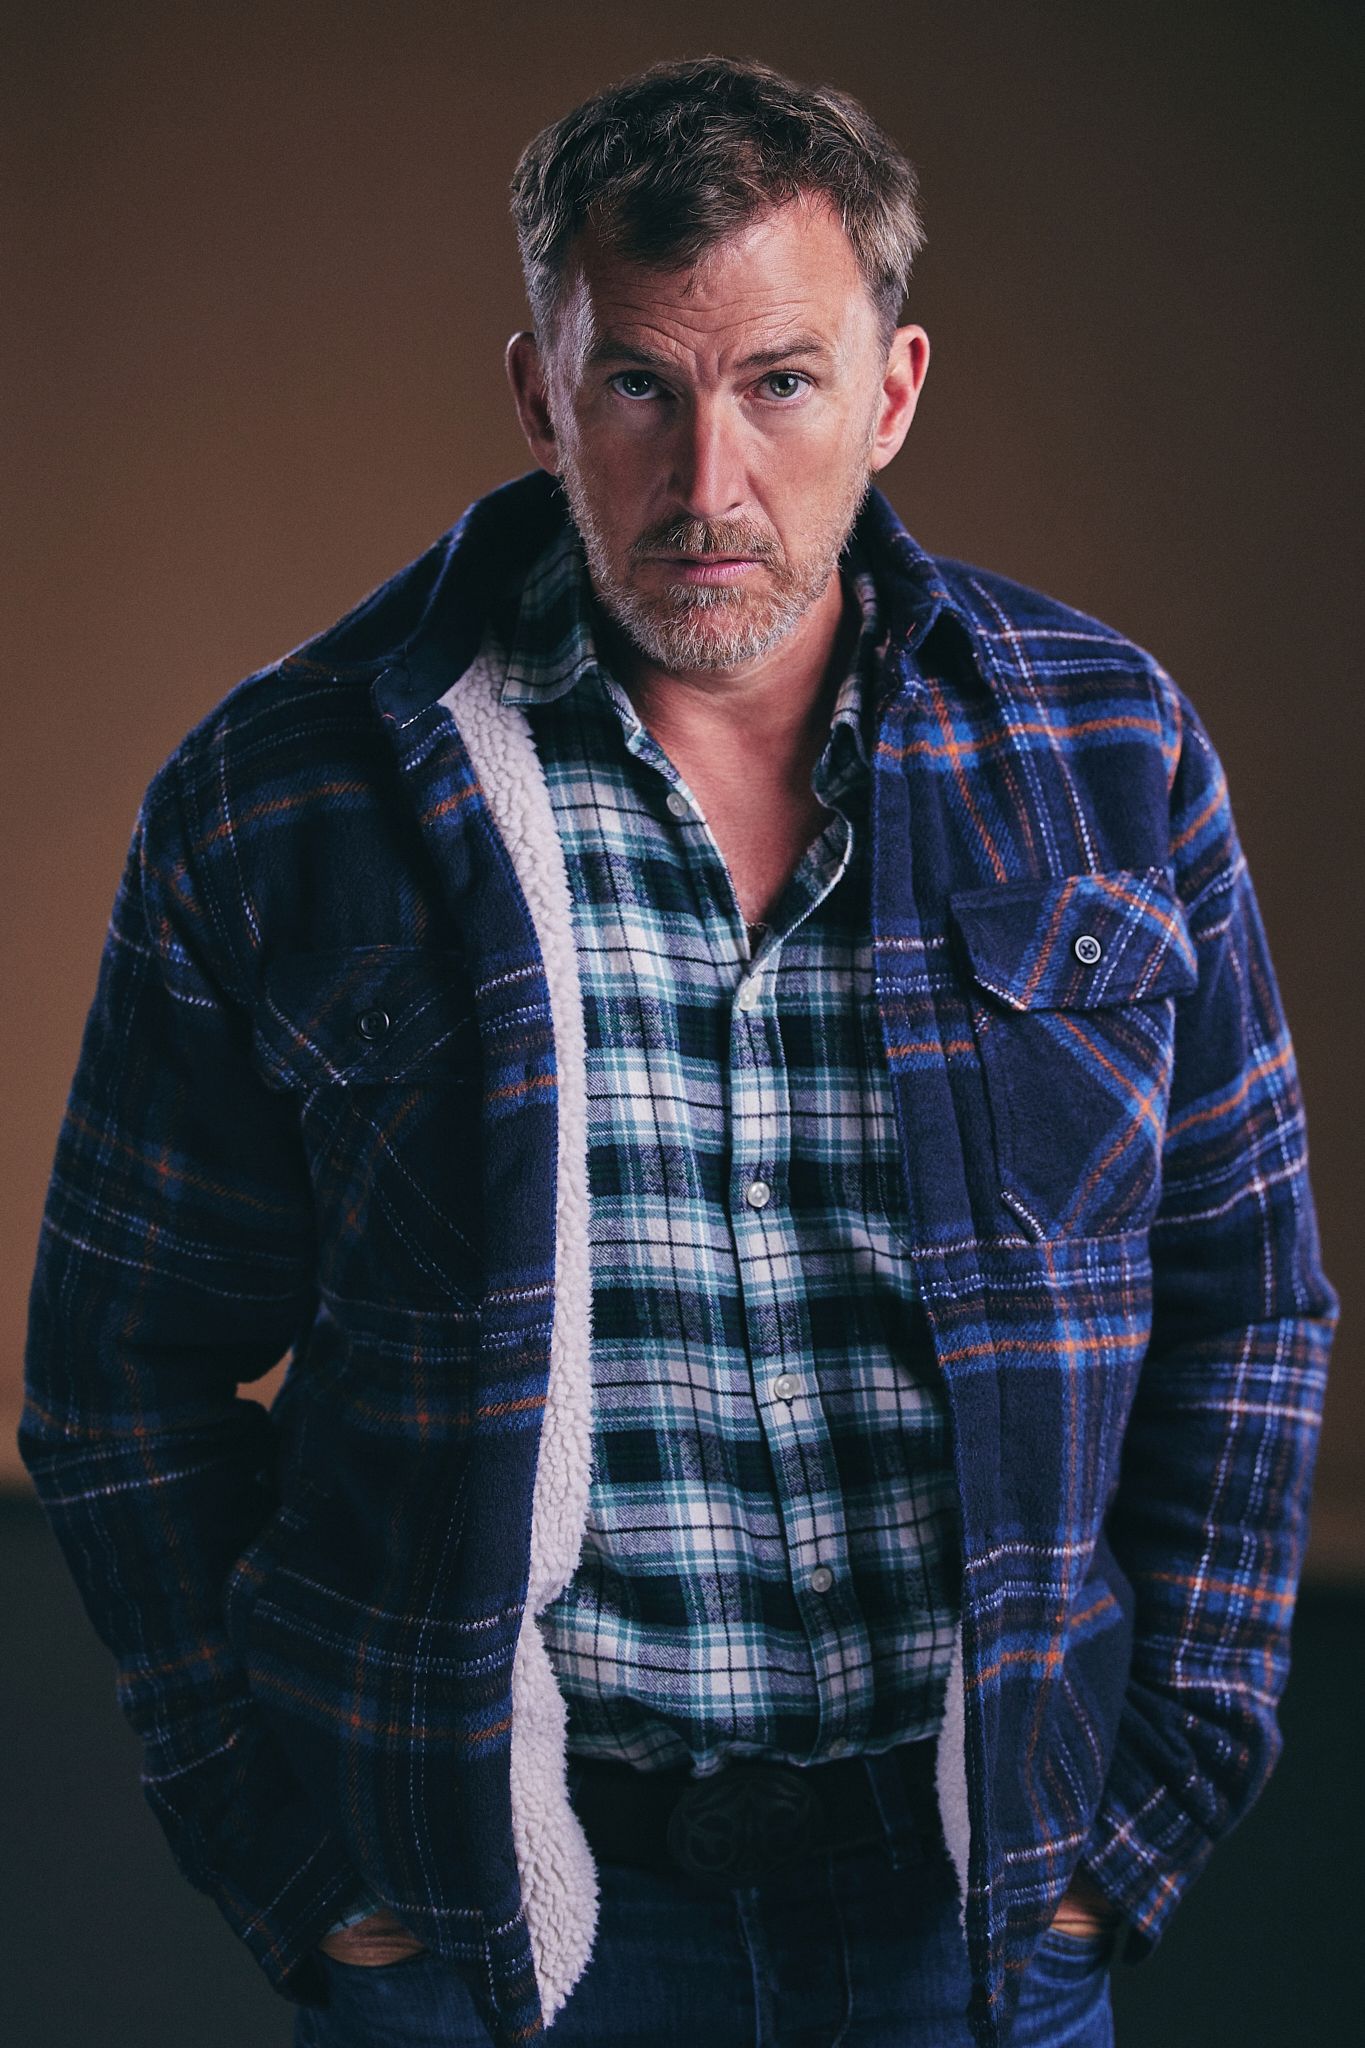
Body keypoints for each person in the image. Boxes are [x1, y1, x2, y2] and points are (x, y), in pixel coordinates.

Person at [20, 55, 1337, 2048]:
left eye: (779, 383)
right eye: (638, 384)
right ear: (538, 391)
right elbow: (119, 1373)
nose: (706, 481)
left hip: (972, 1922)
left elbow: (1245, 1304)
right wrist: (302, 1874)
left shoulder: (1104, 753)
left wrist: (1133, 1823)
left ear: (890, 392)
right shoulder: (281, 795)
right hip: (482, 1937)